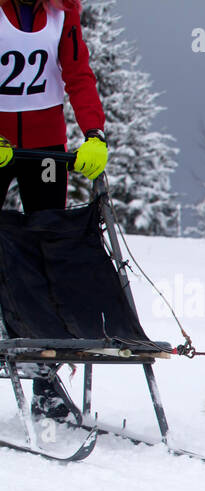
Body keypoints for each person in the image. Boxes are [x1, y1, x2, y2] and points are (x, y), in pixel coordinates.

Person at [0, 0, 107, 420]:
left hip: (45, 146)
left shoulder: (64, 11)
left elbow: (77, 74)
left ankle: (45, 379)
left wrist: (94, 132)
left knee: (49, 251)